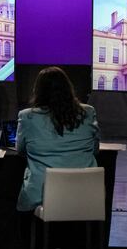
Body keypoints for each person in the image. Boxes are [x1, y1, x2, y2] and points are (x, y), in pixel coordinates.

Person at [16, 67, 100, 212]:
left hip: (41, 195)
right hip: (85, 193)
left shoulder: (27, 117)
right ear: (69, 88)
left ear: (38, 90)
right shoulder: (88, 112)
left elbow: (21, 150)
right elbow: (95, 149)